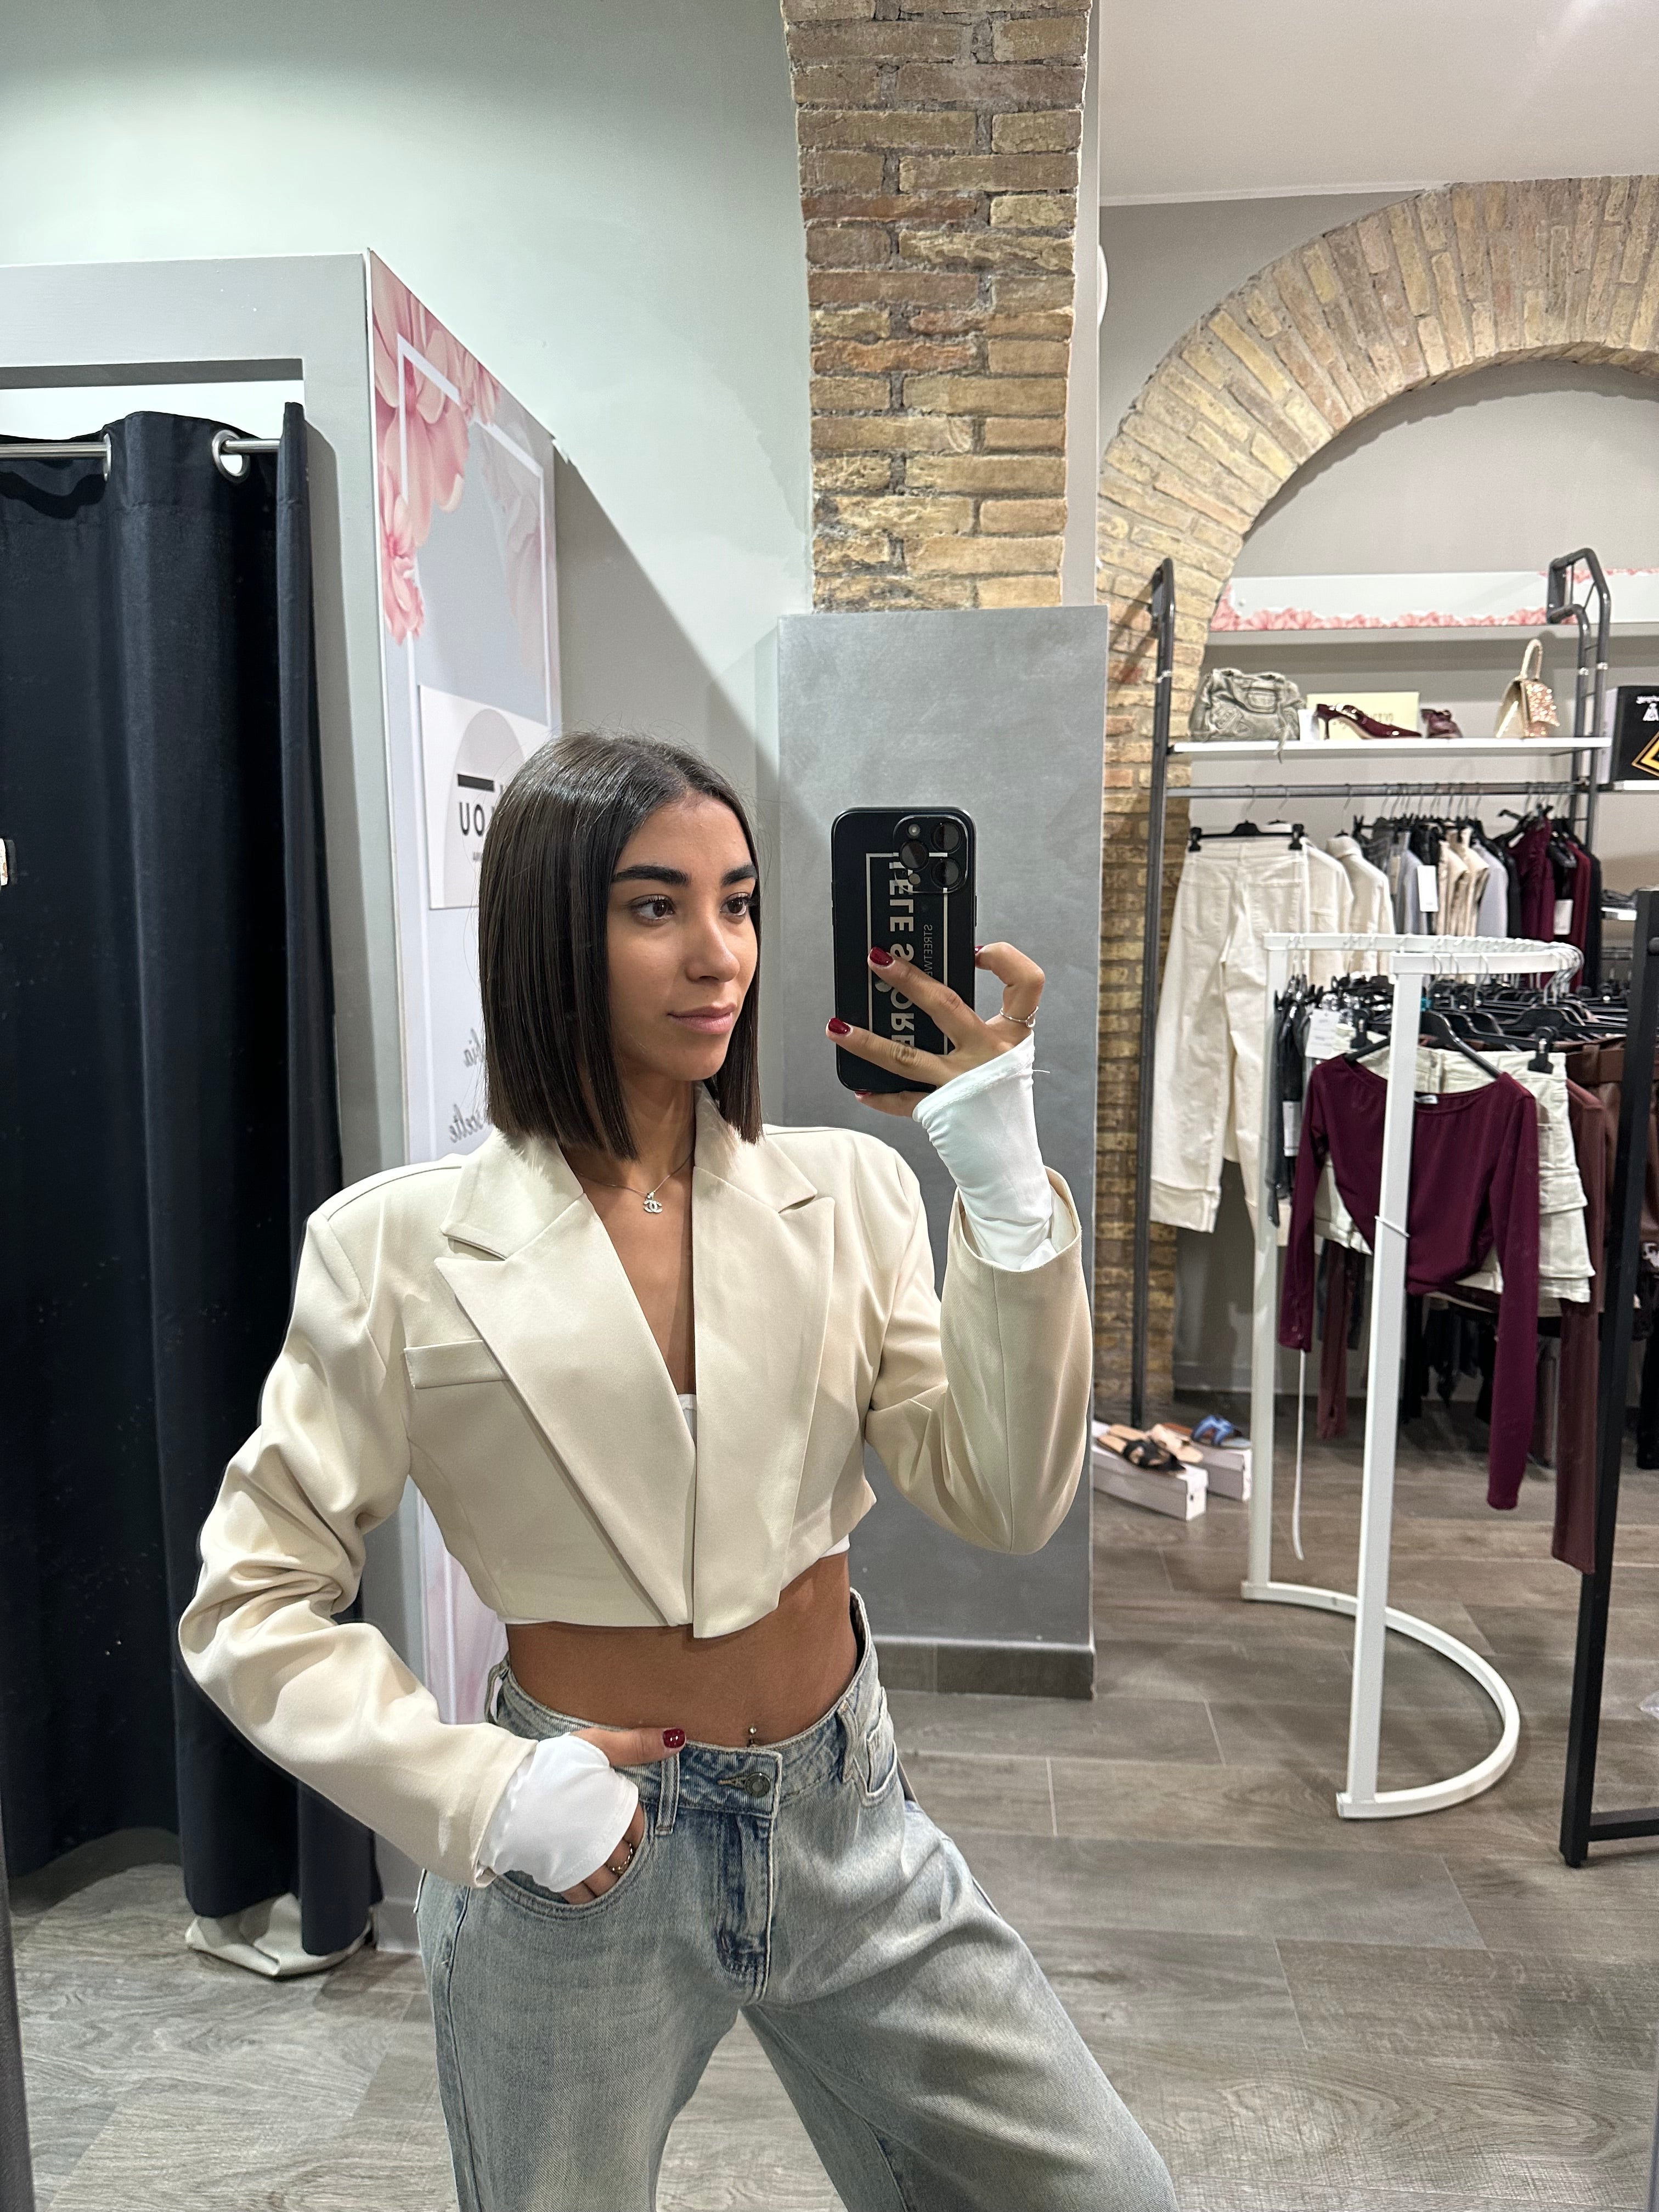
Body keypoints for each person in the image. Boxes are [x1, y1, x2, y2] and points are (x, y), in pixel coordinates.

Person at [179, 733, 1176, 2212]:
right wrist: (481, 1792)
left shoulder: (849, 1192)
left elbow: (1005, 1497)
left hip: (847, 1821)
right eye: (656, 906)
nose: (720, 955)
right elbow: (249, 1602)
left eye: (740, 902)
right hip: (585, 1853)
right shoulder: (394, 1247)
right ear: (548, 930)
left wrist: (1006, 1186)